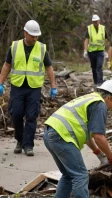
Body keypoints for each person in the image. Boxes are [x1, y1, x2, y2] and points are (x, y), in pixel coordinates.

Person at [44, 80, 112, 198]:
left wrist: (99, 154)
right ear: (109, 98)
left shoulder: (90, 98)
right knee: (80, 175)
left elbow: (87, 135)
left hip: (50, 132)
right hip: (62, 136)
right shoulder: (100, 105)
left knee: (68, 175)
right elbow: (98, 137)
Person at [0, 20, 57, 156]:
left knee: (32, 116)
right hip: (18, 86)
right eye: (32, 36)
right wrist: (0, 82)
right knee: (17, 114)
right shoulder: (14, 46)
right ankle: (20, 140)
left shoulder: (42, 48)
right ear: (25, 33)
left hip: (34, 87)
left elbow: (49, 68)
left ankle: (28, 145)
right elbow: (7, 65)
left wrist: (53, 86)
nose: (35, 38)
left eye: (37, 36)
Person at [83, 14, 108, 87]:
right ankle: (96, 82)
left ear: (99, 21)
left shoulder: (103, 28)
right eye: (94, 22)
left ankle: (100, 83)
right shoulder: (89, 28)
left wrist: (106, 50)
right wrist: (85, 50)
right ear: (92, 22)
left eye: (96, 22)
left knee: (99, 67)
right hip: (92, 52)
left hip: (100, 51)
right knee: (94, 68)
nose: (95, 23)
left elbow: (106, 40)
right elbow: (86, 40)